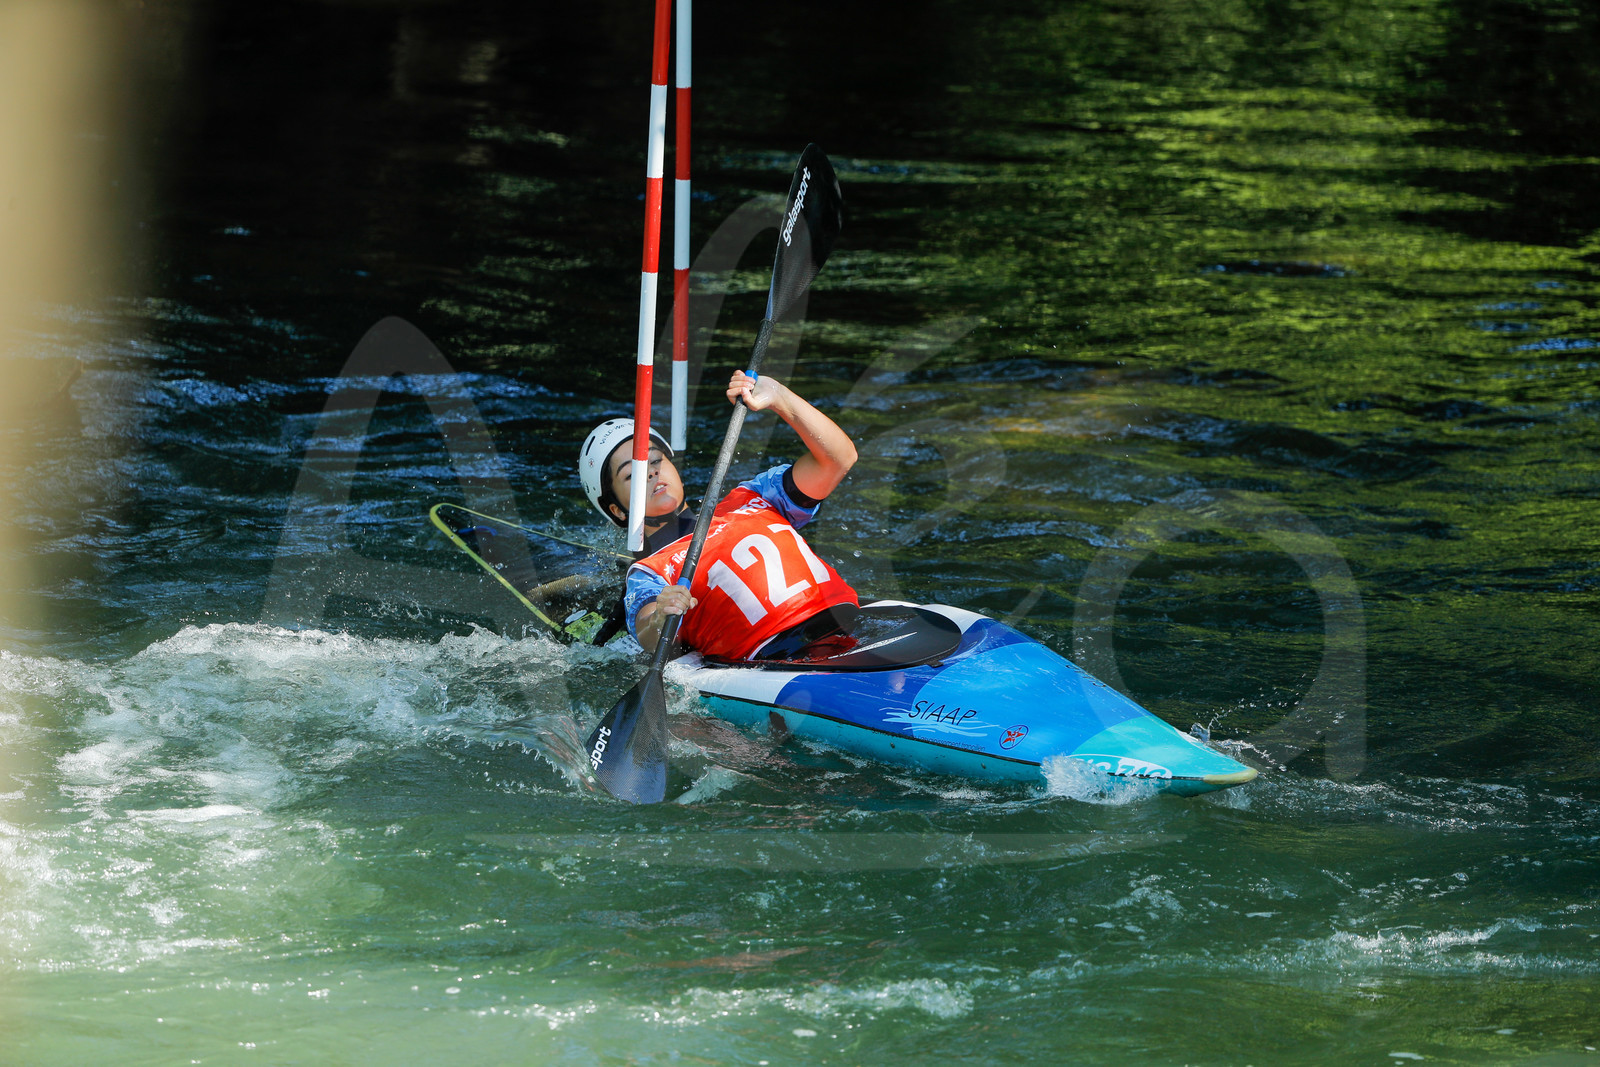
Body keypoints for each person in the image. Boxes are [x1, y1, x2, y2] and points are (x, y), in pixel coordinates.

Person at [578, 370, 858, 659]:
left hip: (847, 623)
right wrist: (660, 616)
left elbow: (839, 459)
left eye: (656, 460)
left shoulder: (756, 495)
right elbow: (649, 634)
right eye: (631, 475)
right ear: (616, 510)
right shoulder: (650, 572)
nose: (650, 472)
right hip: (777, 657)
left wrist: (779, 396)